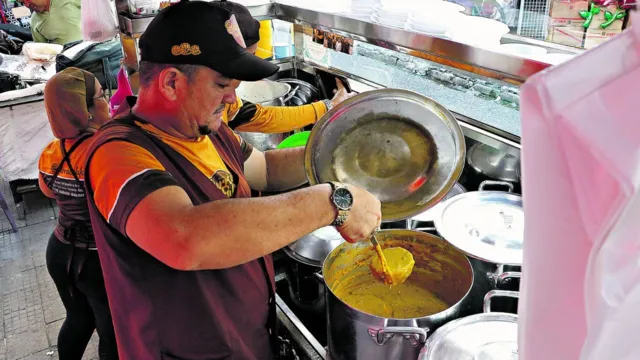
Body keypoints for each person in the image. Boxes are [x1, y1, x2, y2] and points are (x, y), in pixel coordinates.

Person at [83, 1, 381, 358]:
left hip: (243, 336)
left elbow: (266, 169)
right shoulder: (116, 153)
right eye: (223, 85)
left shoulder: (209, 129)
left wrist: (339, 152)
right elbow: (186, 238)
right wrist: (334, 201)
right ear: (172, 82)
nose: (231, 99)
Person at [37, 67, 118, 360]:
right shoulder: (106, 152)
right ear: (83, 111)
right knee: (111, 332)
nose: (107, 99)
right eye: (100, 95)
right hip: (96, 261)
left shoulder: (50, 152)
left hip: (59, 251)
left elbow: (48, 192)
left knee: (78, 320)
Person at [219, 0, 356, 134]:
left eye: (253, 58)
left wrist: (327, 107)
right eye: (221, 84)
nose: (232, 97)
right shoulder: (204, 133)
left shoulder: (228, 107)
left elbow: (263, 117)